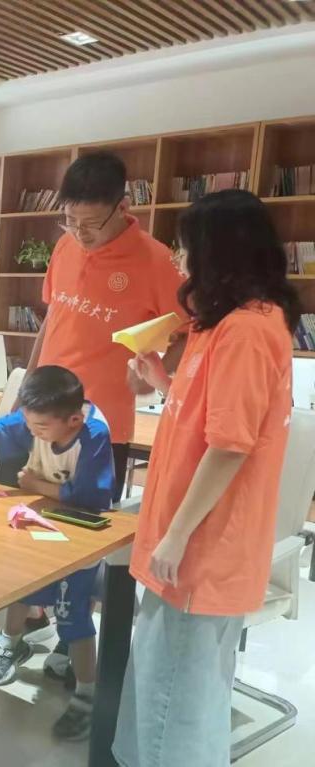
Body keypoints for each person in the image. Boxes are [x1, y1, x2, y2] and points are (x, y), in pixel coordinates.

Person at [113, 190, 298, 767]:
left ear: (220, 251)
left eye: (187, 246)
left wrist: (176, 536)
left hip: (202, 544)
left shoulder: (246, 330)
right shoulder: (218, 324)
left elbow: (229, 447)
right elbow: (207, 414)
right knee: (165, 683)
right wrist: (161, 381)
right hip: (188, 531)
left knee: (175, 702)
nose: (179, 259)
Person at [0, 366, 114, 741]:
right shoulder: (41, 416)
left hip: (79, 533)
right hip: (39, 521)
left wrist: (35, 483)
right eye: (30, 425)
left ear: (73, 420)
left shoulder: (93, 434)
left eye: (41, 428)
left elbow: (90, 497)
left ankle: (87, 695)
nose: (34, 432)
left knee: (73, 613)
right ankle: (11, 644)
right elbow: (9, 426)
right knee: (21, 586)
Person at [26, 152, 185, 502]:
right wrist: (27, 385)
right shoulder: (65, 246)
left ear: (122, 207)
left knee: (87, 522)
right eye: (70, 220)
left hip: (102, 426)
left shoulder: (157, 261)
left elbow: (191, 332)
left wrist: (156, 374)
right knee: (30, 515)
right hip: (44, 414)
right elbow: (53, 317)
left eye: (91, 223)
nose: (80, 233)